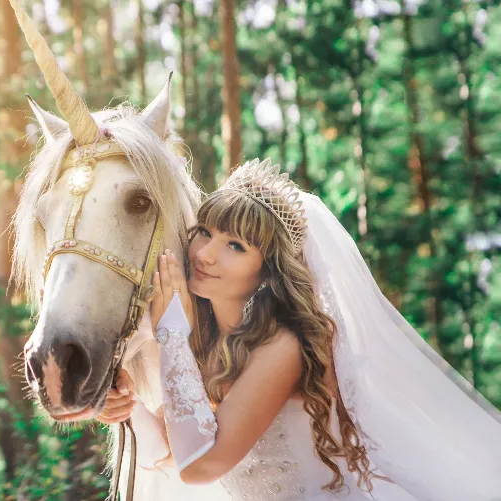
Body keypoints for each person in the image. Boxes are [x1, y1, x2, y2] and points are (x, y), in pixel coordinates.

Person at [99, 158, 501, 500]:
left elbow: (200, 465)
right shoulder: (211, 343)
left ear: (267, 272)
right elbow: (169, 446)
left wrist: (172, 334)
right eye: (205, 232)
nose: (205, 254)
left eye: (235, 246)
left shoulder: (284, 347)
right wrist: (121, 400)